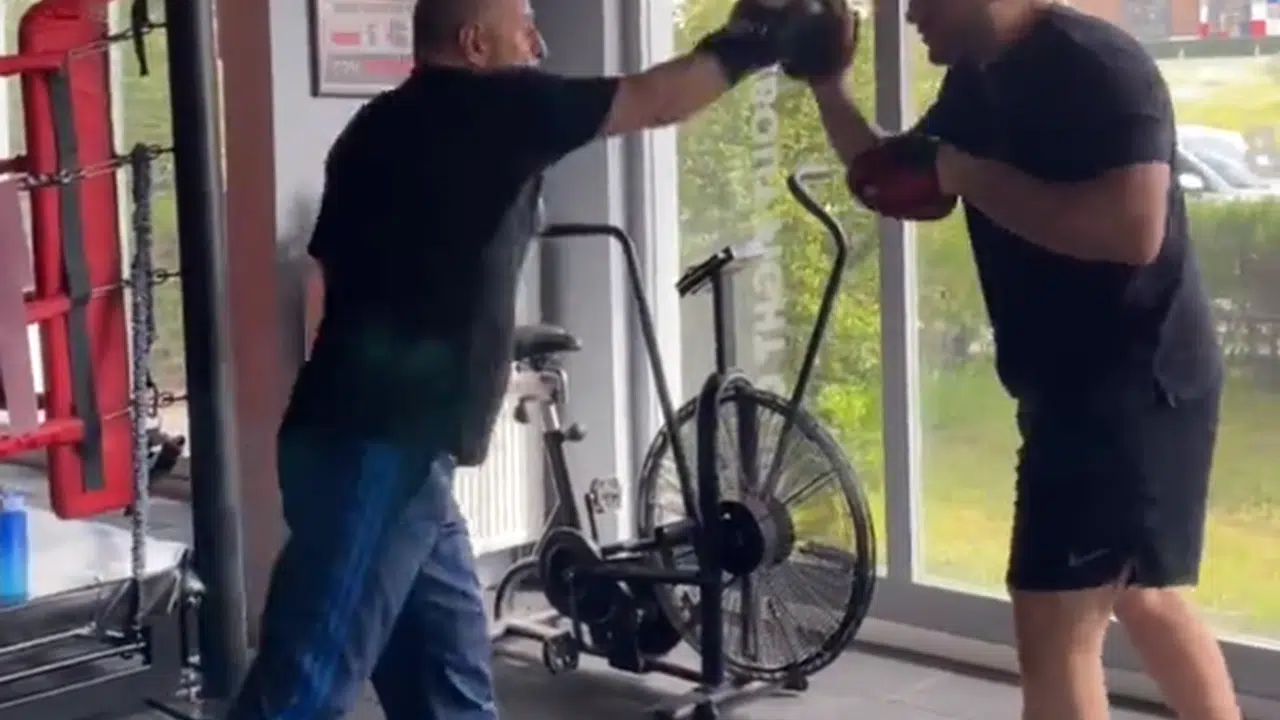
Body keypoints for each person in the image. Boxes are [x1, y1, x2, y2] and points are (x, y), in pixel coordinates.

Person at [225, 0, 851, 718]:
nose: (538, 40)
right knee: (303, 688)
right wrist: (757, 41)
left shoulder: (374, 126)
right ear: (474, 44)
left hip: (376, 450)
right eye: (522, 24)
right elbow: (658, 100)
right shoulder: (495, 105)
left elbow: (334, 281)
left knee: (449, 683)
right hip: (379, 450)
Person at [804, 1, 1240, 719]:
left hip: (1131, 383)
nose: (908, 13)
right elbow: (905, 180)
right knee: (1141, 593)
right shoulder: (978, 77)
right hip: (1079, 384)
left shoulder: (1099, 68)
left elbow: (1131, 229)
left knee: (1054, 622)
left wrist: (969, 173)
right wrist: (828, 85)